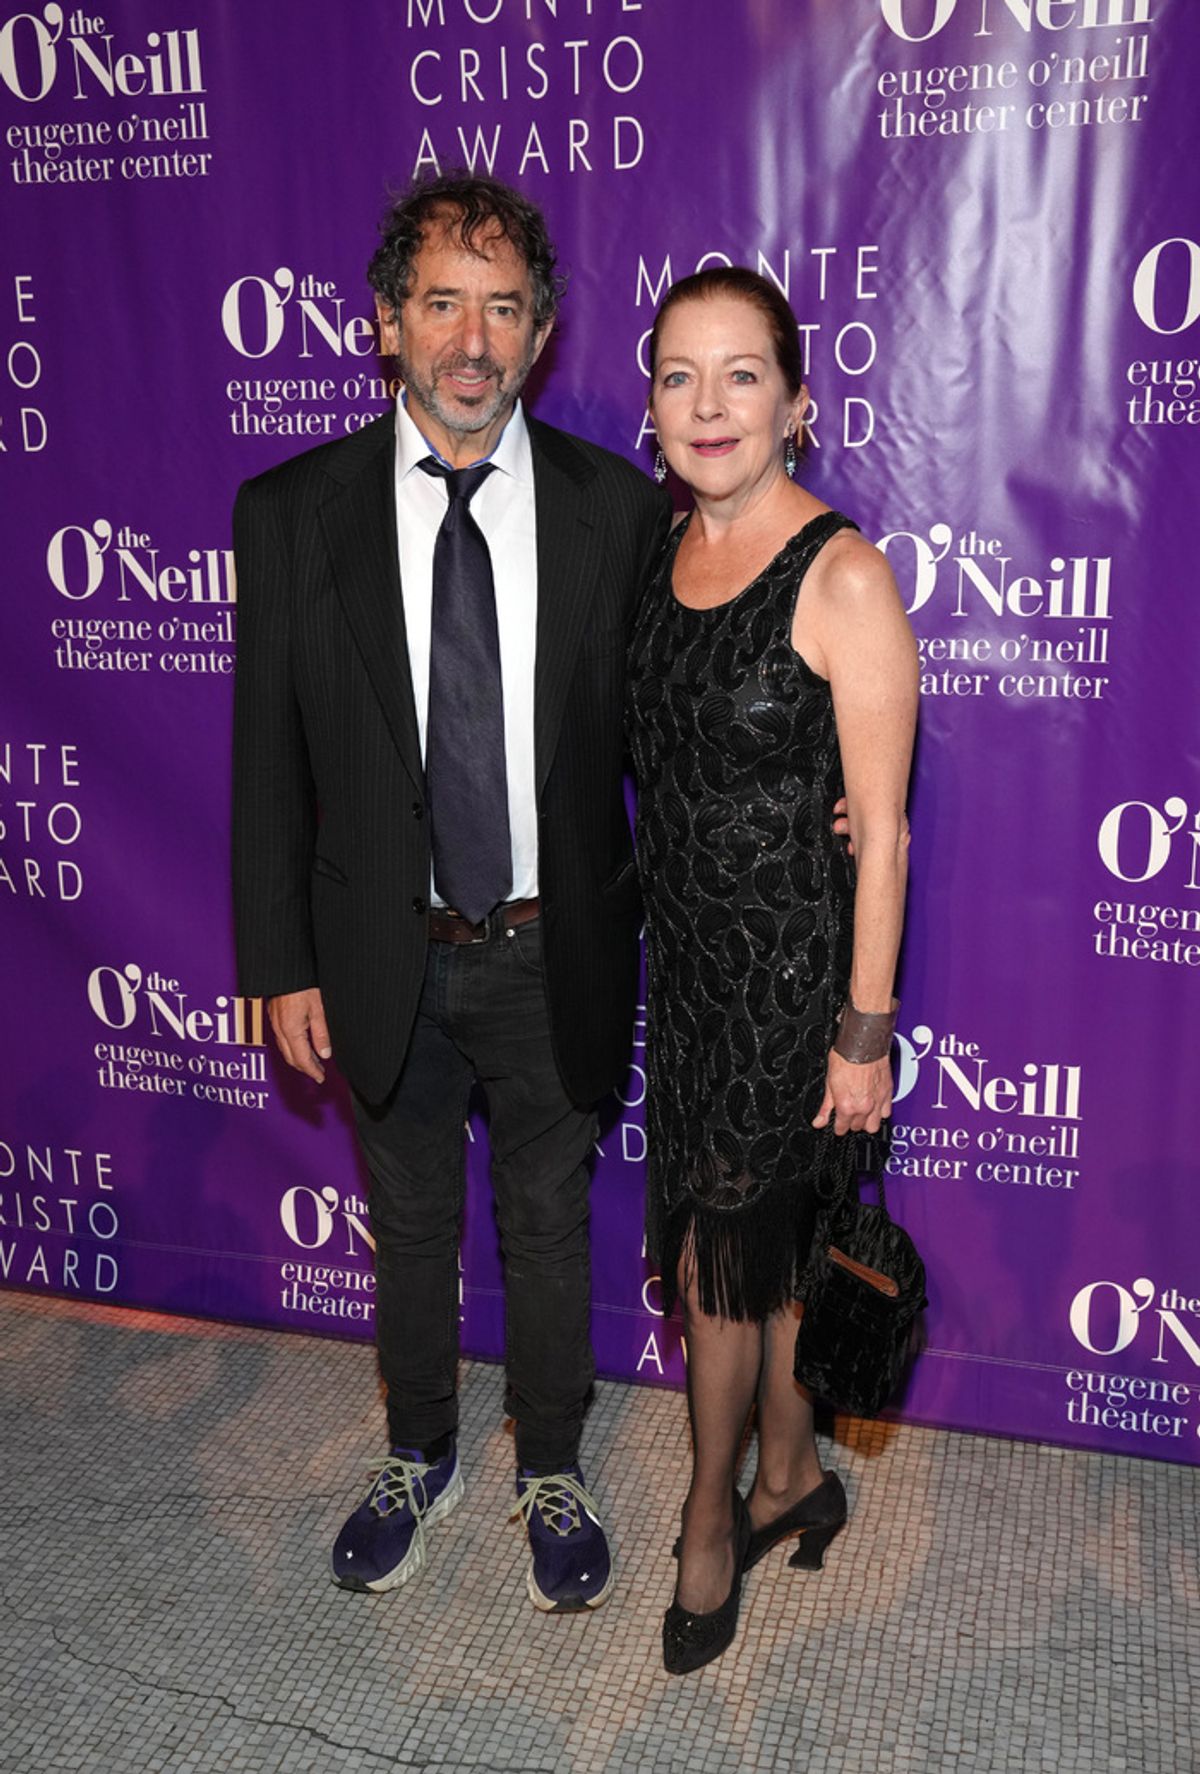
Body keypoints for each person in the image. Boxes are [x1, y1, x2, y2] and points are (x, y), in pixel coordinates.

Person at [231, 173, 672, 1613]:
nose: (471, 339)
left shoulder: (617, 511)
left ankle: (551, 1459)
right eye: (441, 303)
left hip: (558, 949)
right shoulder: (293, 513)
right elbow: (266, 762)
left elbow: (676, 725)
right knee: (410, 1222)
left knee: (549, 1223)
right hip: (383, 948)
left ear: (541, 335)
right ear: (383, 324)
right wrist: (277, 958)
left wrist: (817, 782)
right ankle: (416, 1448)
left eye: (502, 307)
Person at [628, 267, 918, 1674]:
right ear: (652, 407)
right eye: (681, 375)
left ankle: (708, 1520)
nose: (710, 403)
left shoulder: (843, 573)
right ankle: (795, 1473)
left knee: (720, 1265)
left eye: (742, 373)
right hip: (684, 975)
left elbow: (886, 835)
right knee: (762, 1249)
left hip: (793, 987)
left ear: (797, 402)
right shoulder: (663, 554)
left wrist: (862, 1032)